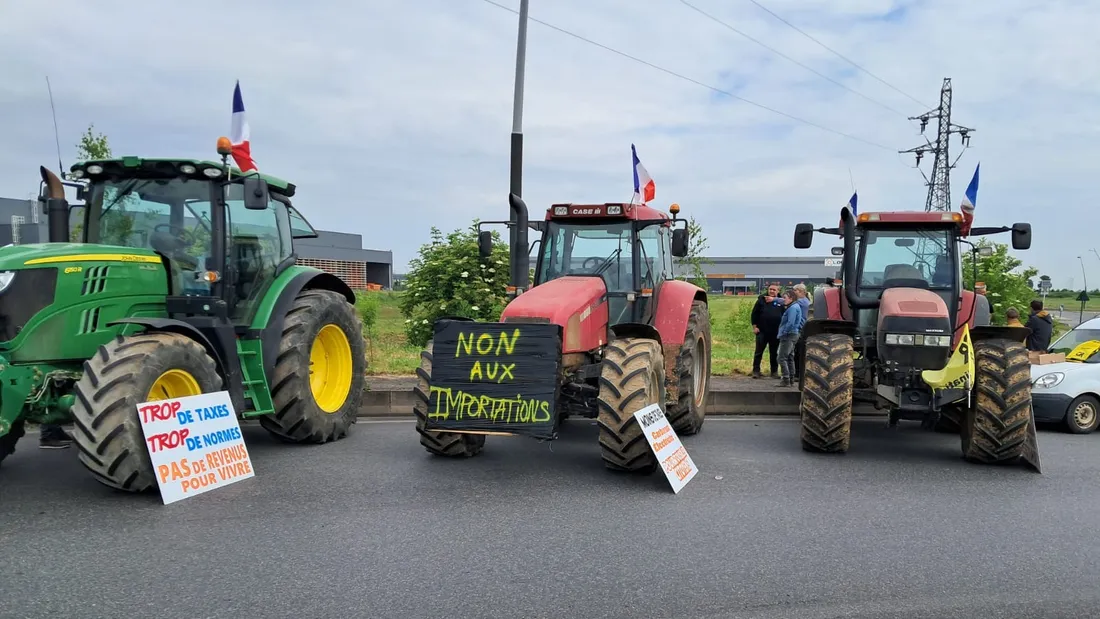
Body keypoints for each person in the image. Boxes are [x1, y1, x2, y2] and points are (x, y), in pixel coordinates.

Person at [750, 284, 785, 378]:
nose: (772, 291)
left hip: (776, 332)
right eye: (770, 289)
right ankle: (756, 371)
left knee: (774, 353)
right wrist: (755, 327)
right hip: (762, 331)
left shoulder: (782, 301)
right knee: (758, 352)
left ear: (778, 291)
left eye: (774, 290)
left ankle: (774, 372)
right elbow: (754, 314)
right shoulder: (761, 300)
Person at [776, 289, 804, 387]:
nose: (783, 300)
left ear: (791, 298)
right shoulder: (795, 306)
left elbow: (790, 322)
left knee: (781, 357)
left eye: (785, 298)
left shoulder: (792, 308)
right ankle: (791, 378)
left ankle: (786, 379)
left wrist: (784, 332)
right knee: (790, 357)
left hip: (788, 335)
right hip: (793, 334)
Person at [791, 283, 811, 381]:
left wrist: (774, 299)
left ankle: (798, 374)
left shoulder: (802, 302)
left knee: (798, 353)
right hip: (801, 330)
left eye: (794, 291)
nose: (793, 293)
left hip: (800, 331)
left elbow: (788, 301)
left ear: (800, 291)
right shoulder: (806, 301)